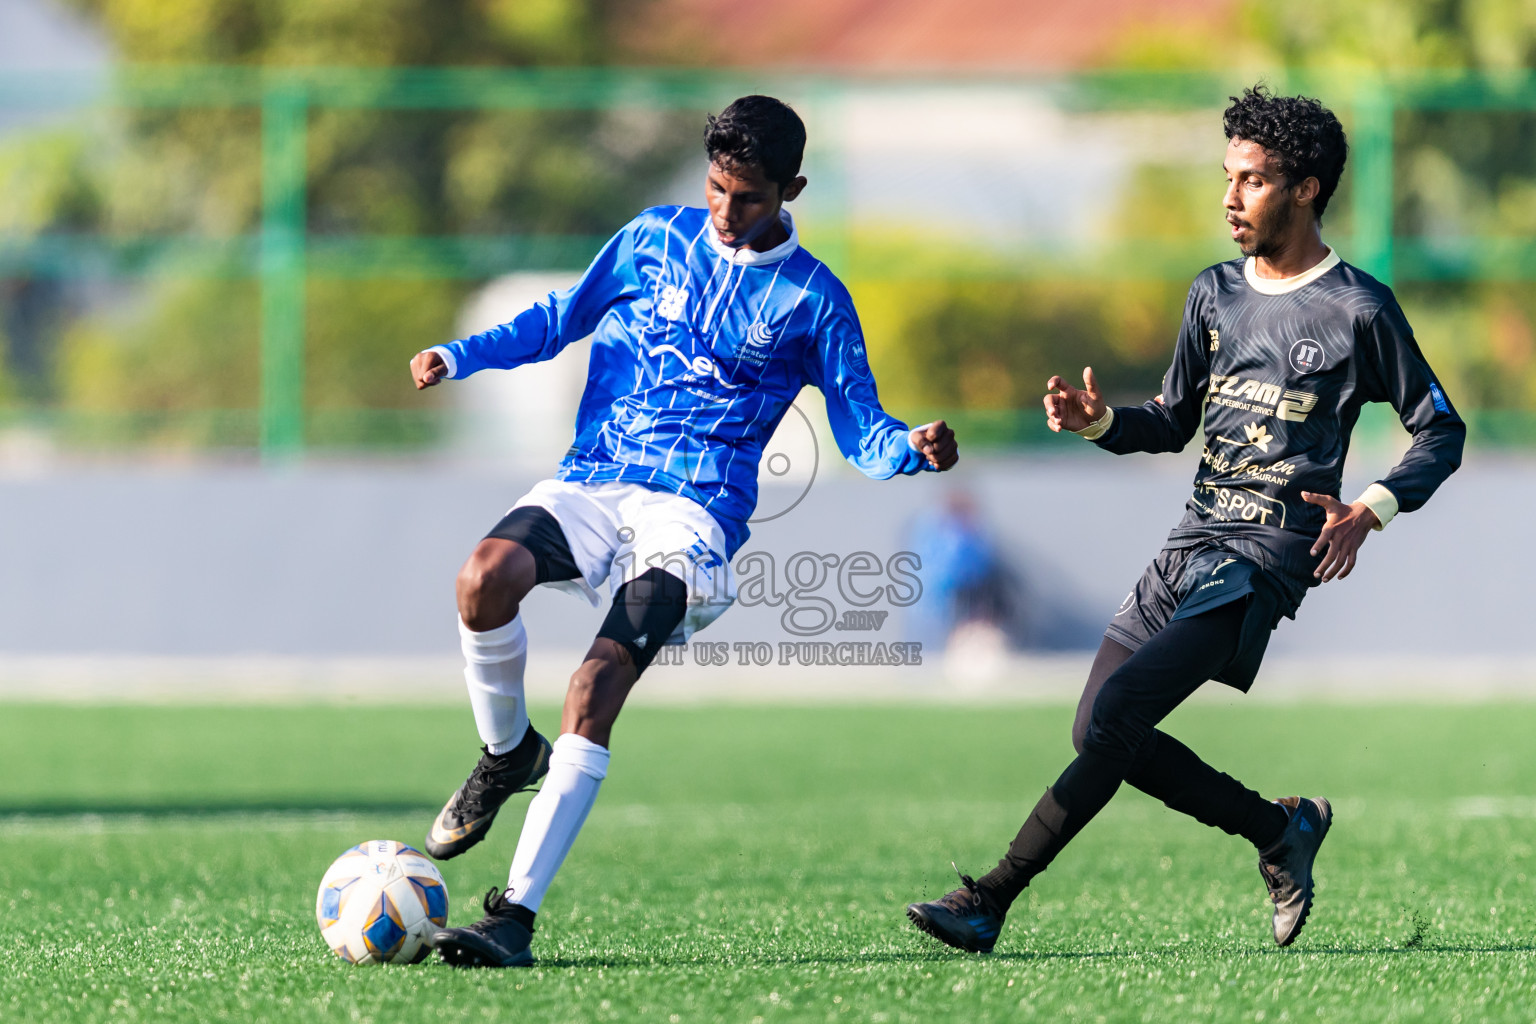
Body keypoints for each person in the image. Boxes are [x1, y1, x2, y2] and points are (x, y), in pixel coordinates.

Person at [905, 84, 1463, 953]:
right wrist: (1099, 423)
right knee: (1098, 729)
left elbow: (1442, 430)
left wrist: (1369, 509)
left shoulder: (1359, 309)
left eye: (1251, 181)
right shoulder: (1214, 293)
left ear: (1307, 188)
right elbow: (1171, 420)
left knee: (1123, 706)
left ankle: (991, 899)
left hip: (1266, 558)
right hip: (1191, 544)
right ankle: (1279, 831)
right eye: (1228, 177)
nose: (1230, 198)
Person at [408, 95, 959, 968]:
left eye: (747, 198)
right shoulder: (650, 238)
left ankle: (513, 914)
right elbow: (560, 317)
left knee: (594, 687)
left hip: (691, 518)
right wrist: (460, 353)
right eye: (715, 190)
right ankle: (506, 756)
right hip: (594, 480)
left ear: (791, 189)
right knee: (483, 577)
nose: (726, 212)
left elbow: (863, 427)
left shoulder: (815, 297)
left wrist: (911, 450)